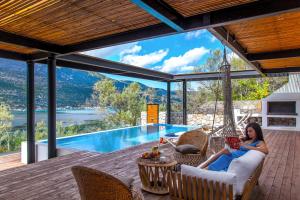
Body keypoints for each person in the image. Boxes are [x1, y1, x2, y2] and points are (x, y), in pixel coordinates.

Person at [201, 122, 268, 171]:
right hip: (233, 154)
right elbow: (236, 145)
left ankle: (204, 167)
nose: (248, 133)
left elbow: (266, 151)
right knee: (224, 152)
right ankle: (205, 167)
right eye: (247, 131)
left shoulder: (259, 142)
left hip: (237, 157)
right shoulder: (245, 139)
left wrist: (247, 147)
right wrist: (229, 142)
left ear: (257, 131)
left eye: (250, 131)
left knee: (224, 153)